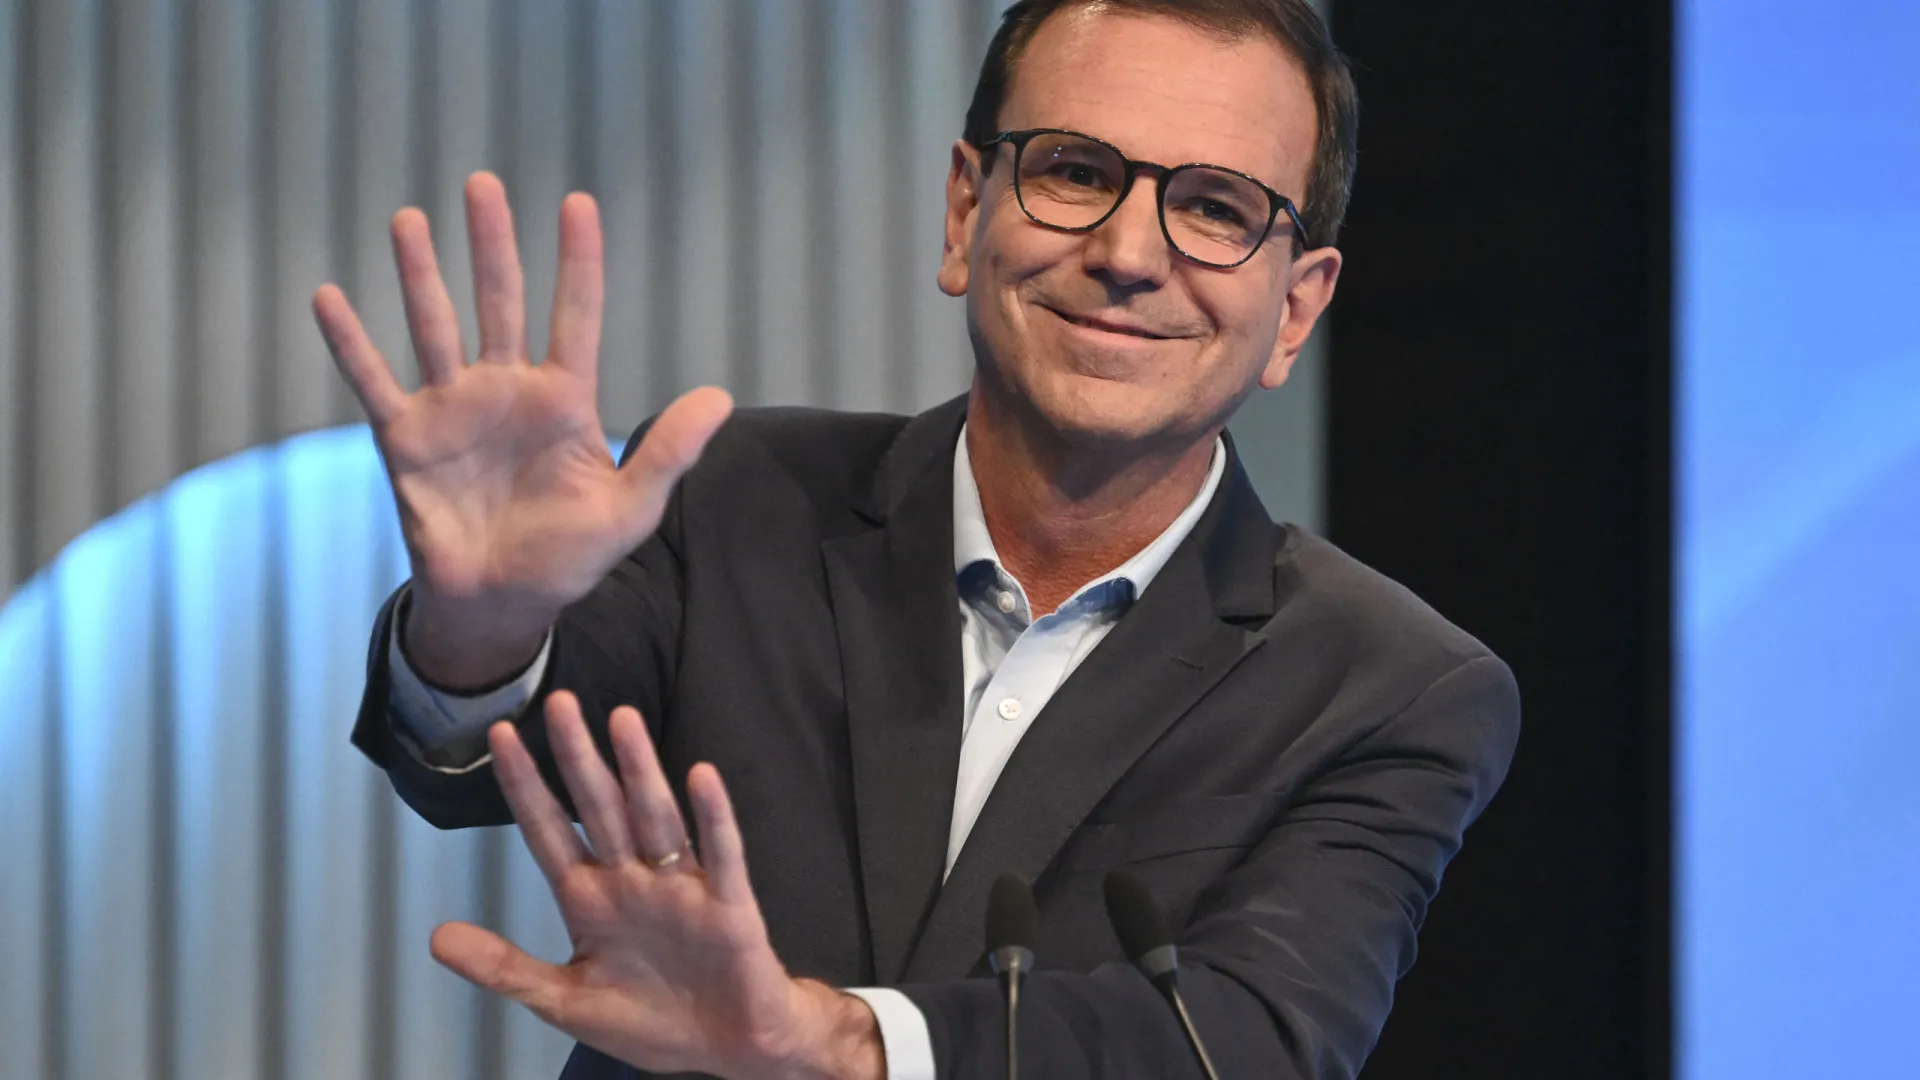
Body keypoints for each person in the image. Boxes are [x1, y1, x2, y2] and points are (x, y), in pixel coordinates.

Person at [313, 1, 1519, 1077]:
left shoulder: (1390, 685)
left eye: (1215, 209)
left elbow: (1253, 1042)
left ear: (1295, 308)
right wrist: (483, 620)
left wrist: (833, 1043)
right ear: (964, 210)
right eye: (1075, 171)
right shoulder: (734, 492)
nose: (1128, 255)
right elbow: (486, 756)